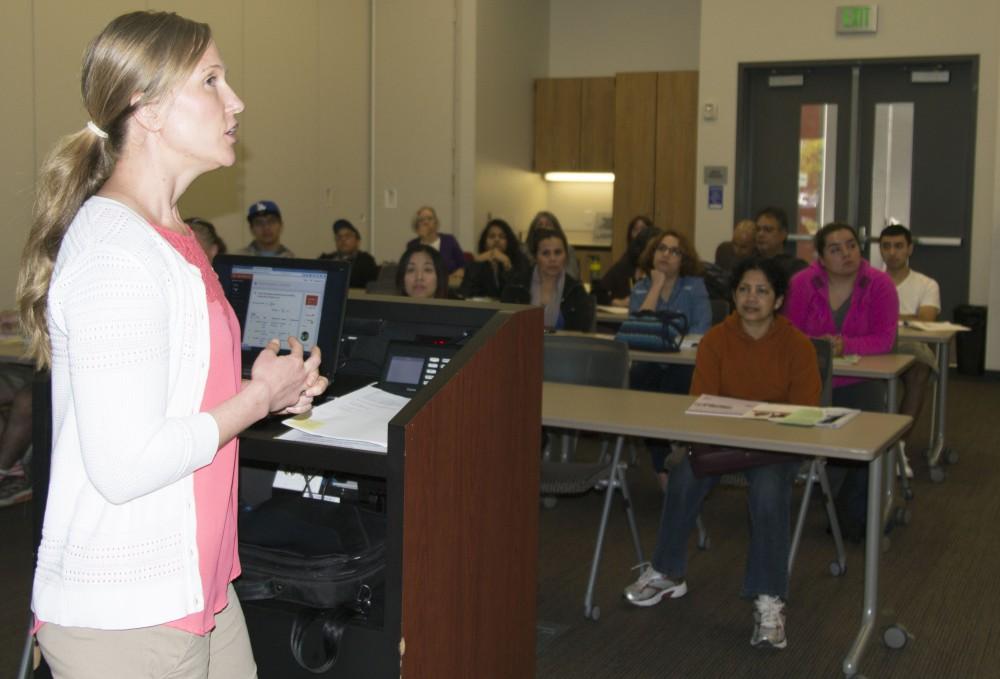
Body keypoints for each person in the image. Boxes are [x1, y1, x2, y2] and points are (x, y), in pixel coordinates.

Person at [16, 12, 327, 677]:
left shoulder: (176, 237)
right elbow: (126, 463)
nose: (235, 99)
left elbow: (179, 397)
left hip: (197, 589)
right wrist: (254, 398)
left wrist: (267, 392)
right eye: (211, 80)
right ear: (147, 110)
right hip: (127, 608)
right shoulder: (115, 253)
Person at [624, 256, 820, 651]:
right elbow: (703, 401)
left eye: (762, 291)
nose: (751, 298)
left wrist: (758, 424)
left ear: (778, 300)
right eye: (744, 290)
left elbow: (806, 410)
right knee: (683, 473)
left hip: (774, 448)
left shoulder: (797, 345)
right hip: (720, 442)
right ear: (732, 296)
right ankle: (667, 572)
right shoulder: (716, 339)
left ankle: (769, 599)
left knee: (766, 490)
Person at [785, 222, 898, 540]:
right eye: (835, 249)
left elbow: (885, 339)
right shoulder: (802, 283)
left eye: (851, 245)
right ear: (820, 256)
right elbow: (787, 333)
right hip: (810, 379)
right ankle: (828, 496)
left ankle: (860, 513)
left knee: (871, 429)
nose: (846, 254)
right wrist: (818, 346)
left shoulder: (879, 284)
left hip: (860, 379)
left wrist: (845, 345)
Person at [628, 230, 712, 490]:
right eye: (661, 248)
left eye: (674, 251)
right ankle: (661, 464)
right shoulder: (642, 287)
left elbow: (702, 328)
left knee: (672, 385)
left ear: (683, 259)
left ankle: (674, 454)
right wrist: (655, 286)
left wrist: (667, 337)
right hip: (649, 362)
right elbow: (638, 328)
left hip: (684, 363)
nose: (666, 254)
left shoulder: (694, 286)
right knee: (641, 380)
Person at [879, 223, 940, 476]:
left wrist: (889, 316)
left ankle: (899, 445)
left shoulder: (926, 284)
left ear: (909, 249)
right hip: (877, 344)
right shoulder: (870, 280)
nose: (892, 252)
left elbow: (926, 319)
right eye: (886, 246)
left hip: (910, 345)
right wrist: (907, 316)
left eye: (898, 246)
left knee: (919, 370)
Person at [501, 227, 594, 332]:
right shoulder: (516, 286)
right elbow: (504, 327)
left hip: (564, 347)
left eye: (558, 252)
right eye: (546, 253)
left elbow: (582, 334)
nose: (552, 259)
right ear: (535, 257)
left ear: (566, 256)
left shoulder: (576, 290)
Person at [0, 310, 33, 508]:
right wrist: (19, 319)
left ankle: (5, 468)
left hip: (65, 370)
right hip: (26, 362)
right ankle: (13, 460)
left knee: (28, 399)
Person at [591, 216, 658, 306]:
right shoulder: (625, 264)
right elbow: (596, 294)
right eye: (635, 230)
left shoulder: (659, 266)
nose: (639, 234)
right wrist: (617, 302)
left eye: (643, 230)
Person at [459, 218, 530, 299]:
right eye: (491, 236)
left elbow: (518, 295)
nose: (496, 240)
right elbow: (465, 293)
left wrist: (507, 265)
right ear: (485, 242)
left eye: (502, 236)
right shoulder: (480, 263)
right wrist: (476, 263)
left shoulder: (521, 261)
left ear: (509, 241)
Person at [407, 206, 466, 285]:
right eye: (421, 220)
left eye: (430, 218)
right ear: (417, 226)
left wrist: (460, 271)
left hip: (448, 286)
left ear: (436, 222)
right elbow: (410, 271)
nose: (426, 222)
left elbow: (463, 265)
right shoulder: (413, 245)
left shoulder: (449, 240)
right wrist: (424, 240)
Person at [319, 218, 379, 289]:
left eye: (347, 236)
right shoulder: (325, 259)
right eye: (339, 237)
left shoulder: (366, 261)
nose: (343, 239)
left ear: (357, 241)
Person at [523, 210, 581, 279]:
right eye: (540, 225)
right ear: (533, 230)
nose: (543, 228)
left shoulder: (568, 250)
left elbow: (572, 275)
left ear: (556, 229)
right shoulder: (524, 251)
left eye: (548, 225)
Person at [754, 206, 807, 279]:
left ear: (783, 234)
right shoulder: (748, 266)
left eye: (768, 230)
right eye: (758, 229)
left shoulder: (797, 268)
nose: (760, 234)